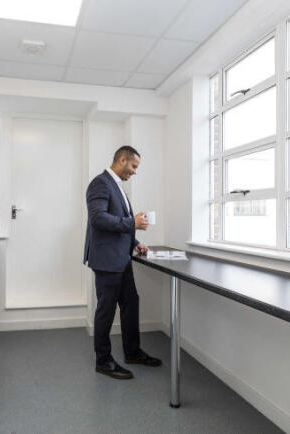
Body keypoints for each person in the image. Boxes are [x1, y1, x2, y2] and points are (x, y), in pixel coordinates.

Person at [83, 145, 162, 380]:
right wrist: (132, 224)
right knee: (106, 310)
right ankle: (103, 361)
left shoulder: (117, 187)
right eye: (134, 166)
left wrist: (135, 243)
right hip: (107, 260)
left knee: (130, 304)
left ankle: (133, 352)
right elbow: (98, 219)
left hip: (122, 258)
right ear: (122, 160)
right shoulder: (100, 183)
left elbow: (118, 222)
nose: (135, 171)